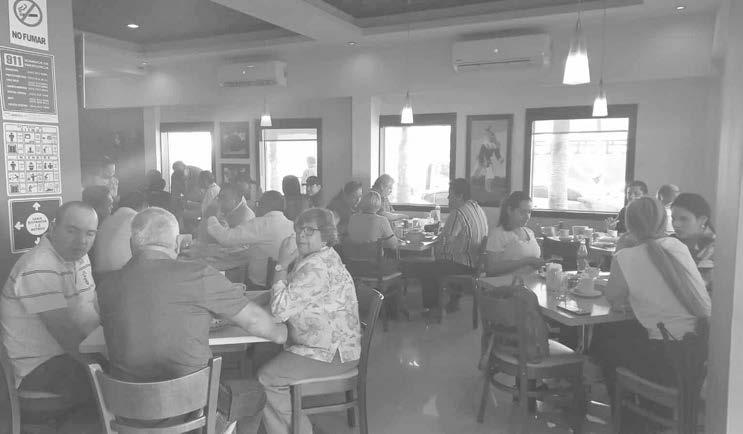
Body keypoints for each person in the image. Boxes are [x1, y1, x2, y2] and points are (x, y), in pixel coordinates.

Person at [97, 207, 287, 433]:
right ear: (178, 243)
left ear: (132, 245)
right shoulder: (198, 274)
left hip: (128, 412)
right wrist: (282, 333)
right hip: (194, 413)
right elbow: (255, 320)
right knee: (254, 394)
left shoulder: (106, 287)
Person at [594, 197, 710, 426]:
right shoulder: (678, 247)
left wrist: (621, 249)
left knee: (605, 345)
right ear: (664, 221)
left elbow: (613, 296)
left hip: (667, 360)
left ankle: (629, 421)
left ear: (629, 224)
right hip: (701, 353)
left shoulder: (625, 256)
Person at [259, 208, 361, 434]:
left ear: (325, 236)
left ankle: (303, 430)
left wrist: (281, 265)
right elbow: (289, 294)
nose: (301, 236)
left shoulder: (316, 267)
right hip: (330, 346)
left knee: (266, 377)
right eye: (298, 230)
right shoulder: (320, 257)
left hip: (331, 353)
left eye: (309, 231)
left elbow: (279, 311)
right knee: (264, 356)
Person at [0, 202, 99, 410]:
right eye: (72, 231)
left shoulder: (80, 258)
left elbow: (93, 307)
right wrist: (100, 362)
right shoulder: (38, 266)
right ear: (53, 228)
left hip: (66, 355)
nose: (81, 241)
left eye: (90, 233)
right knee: (119, 377)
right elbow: (64, 332)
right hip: (39, 367)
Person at [406, 179, 488, 315]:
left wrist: (432, 240)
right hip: (475, 262)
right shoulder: (477, 209)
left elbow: (444, 241)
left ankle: (433, 309)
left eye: (450, 194)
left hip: (463, 264)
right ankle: (453, 300)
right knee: (442, 260)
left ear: (460, 196)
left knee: (427, 269)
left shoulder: (459, 212)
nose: (448, 198)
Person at [207, 191, 295, 289]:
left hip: (258, 285)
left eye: (258, 204)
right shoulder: (292, 225)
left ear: (264, 205)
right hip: (285, 282)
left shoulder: (260, 224)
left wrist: (211, 216)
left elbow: (226, 238)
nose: (256, 207)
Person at [486, 191, 544, 276]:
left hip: (533, 281)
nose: (527, 216)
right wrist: (527, 261)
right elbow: (492, 268)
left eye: (529, 212)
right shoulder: (498, 234)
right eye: (522, 212)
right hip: (509, 283)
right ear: (510, 210)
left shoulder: (529, 232)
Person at [93, 191, 148, 274]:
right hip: (121, 273)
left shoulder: (108, 219)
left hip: (99, 273)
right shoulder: (136, 217)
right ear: (144, 205)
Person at [672, 193, 715, 289]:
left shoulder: (713, 250)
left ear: (702, 220)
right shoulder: (670, 243)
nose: (675, 224)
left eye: (683, 219)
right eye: (673, 218)